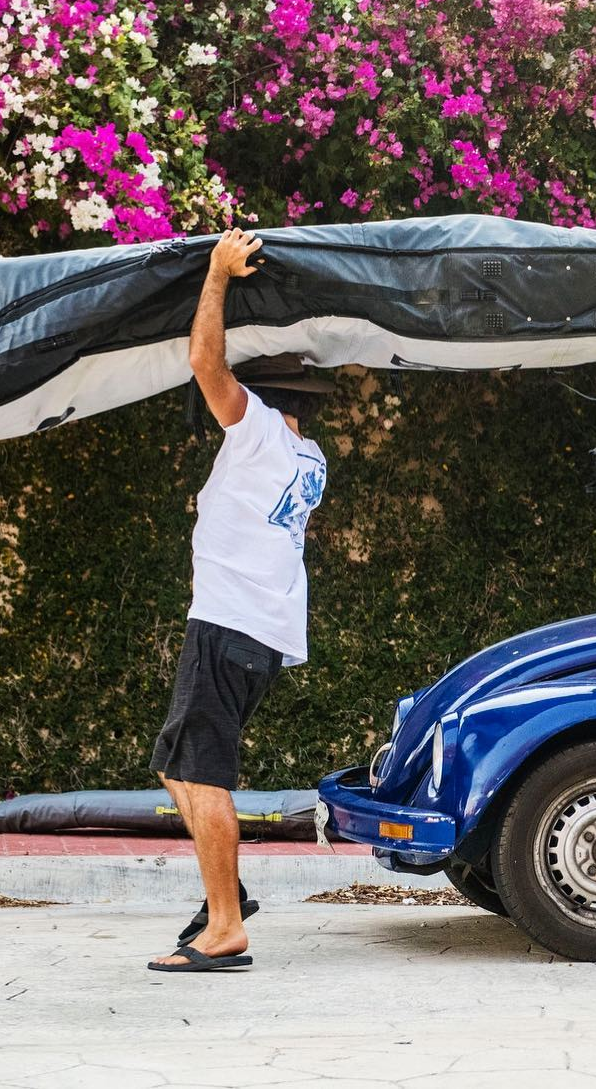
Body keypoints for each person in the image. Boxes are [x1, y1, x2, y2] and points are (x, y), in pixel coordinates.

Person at [147, 226, 333, 974]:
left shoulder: (254, 431)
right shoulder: (310, 459)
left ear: (264, 395)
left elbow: (203, 358)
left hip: (226, 625)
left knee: (204, 774)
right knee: (175, 762)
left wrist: (219, 274)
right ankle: (228, 894)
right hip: (262, 634)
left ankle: (225, 928)